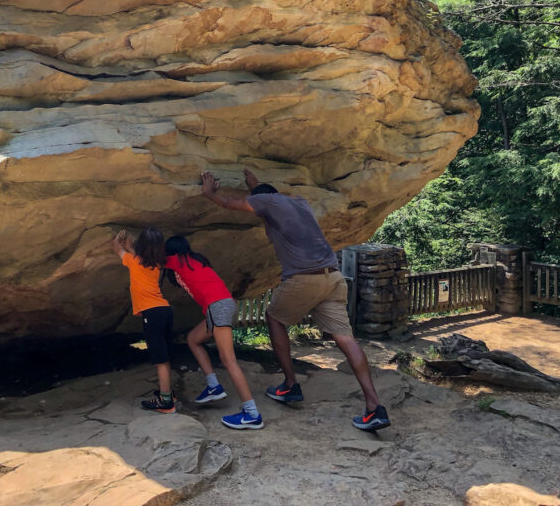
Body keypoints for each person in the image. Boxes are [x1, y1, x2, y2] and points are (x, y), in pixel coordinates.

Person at [200, 169, 391, 431]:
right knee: (346, 339)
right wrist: (256, 184)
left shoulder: (265, 202)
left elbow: (231, 203)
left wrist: (210, 193)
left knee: (274, 318)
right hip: (333, 277)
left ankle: (290, 385)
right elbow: (270, 195)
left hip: (304, 277)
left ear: (260, 199)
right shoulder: (298, 202)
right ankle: (374, 407)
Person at [164, 235, 263, 429]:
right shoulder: (196, 261)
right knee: (193, 339)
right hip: (220, 306)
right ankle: (213, 386)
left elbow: (150, 259)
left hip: (218, 307)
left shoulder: (178, 260)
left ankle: (252, 414)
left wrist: (126, 249)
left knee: (229, 360)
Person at [113, 227, 176, 413]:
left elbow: (117, 248)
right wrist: (131, 246)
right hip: (164, 310)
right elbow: (139, 255)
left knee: (160, 359)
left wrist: (121, 239)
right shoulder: (157, 264)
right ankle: (168, 393)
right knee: (164, 356)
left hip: (153, 313)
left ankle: (166, 402)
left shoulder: (134, 261)